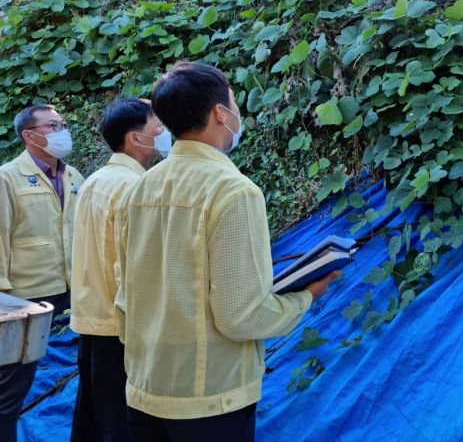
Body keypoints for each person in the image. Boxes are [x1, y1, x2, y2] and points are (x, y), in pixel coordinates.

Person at [115, 61, 338, 441]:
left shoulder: (141, 187)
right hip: (209, 396)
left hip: (144, 387)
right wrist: (305, 297)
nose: (237, 112)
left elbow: (126, 293)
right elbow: (241, 316)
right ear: (220, 113)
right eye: (233, 102)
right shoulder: (234, 191)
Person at [70, 98, 171, 442]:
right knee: (121, 424)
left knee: (94, 418)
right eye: (158, 127)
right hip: (121, 325)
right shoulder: (134, 187)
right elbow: (129, 267)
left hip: (92, 319)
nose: (164, 133)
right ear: (135, 138)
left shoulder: (96, 180)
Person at [0, 104, 85, 442]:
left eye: (63, 123)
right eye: (53, 126)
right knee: (11, 385)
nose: (62, 130)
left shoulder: (73, 175)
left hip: (73, 284)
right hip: (25, 293)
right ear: (29, 135)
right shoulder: (7, 177)